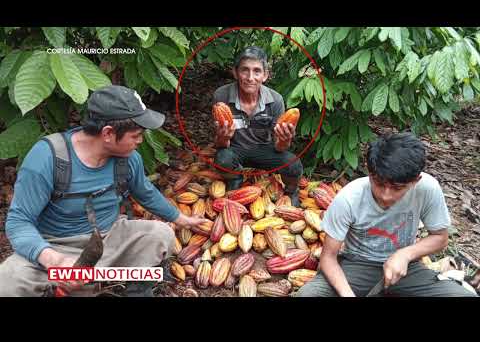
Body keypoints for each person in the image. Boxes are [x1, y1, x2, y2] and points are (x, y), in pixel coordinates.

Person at [0, 85, 207, 297]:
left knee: (160, 234)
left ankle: (134, 290)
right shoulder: (49, 157)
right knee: (7, 282)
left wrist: (182, 219)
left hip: (108, 240)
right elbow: (18, 222)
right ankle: (61, 285)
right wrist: (54, 260)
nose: (140, 141)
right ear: (108, 133)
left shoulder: (128, 158)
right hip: (55, 245)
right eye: (136, 135)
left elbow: (145, 192)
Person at [296, 132, 477, 297]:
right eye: (379, 183)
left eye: (397, 188)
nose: (385, 195)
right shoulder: (349, 197)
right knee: (308, 294)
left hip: (406, 269)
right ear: (369, 172)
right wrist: (347, 294)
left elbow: (440, 237)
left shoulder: (427, 188)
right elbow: (328, 258)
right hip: (357, 265)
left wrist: (405, 255)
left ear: (415, 180)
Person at [213, 46, 303, 206]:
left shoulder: (275, 100)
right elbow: (220, 145)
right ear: (235, 72)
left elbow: (280, 147)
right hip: (236, 149)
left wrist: (285, 139)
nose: (250, 77)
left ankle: (291, 191)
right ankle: (235, 179)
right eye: (244, 70)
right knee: (222, 158)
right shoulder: (222, 95)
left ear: (265, 75)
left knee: (293, 164)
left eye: (256, 71)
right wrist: (223, 136)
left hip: (265, 150)